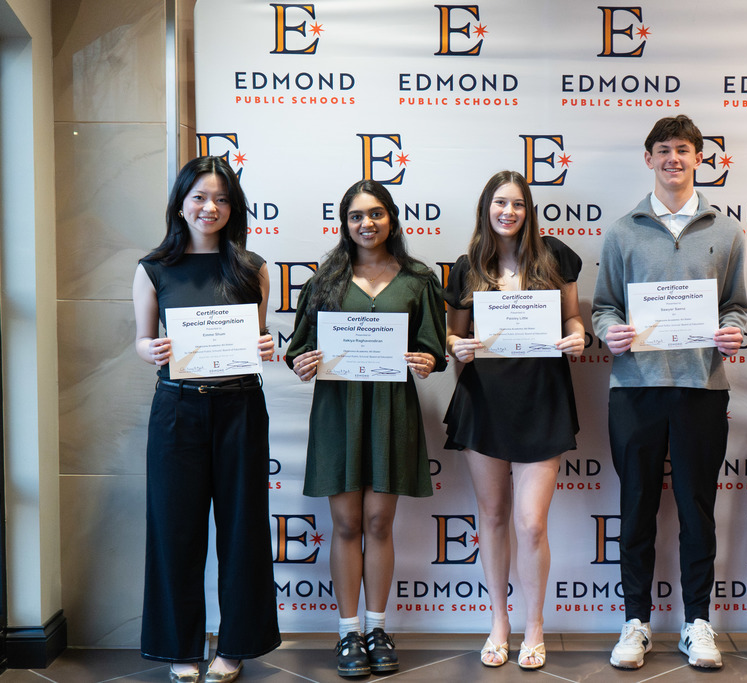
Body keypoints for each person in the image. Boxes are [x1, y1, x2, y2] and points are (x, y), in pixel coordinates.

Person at [591, 115, 747, 670]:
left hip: (701, 390)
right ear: (649, 158)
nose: (673, 159)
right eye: (663, 150)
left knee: (696, 509)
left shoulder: (726, 232)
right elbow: (603, 305)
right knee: (634, 507)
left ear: (698, 158)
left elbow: (736, 305)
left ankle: (696, 622)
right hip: (635, 390)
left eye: (683, 149)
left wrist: (733, 330)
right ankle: (634, 622)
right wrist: (608, 330)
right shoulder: (621, 230)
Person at [285, 179, 447, 678]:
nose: (367, 224)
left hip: (392, 411)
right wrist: (302, 362)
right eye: (357, 216)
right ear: (345, 223)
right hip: (338, 411)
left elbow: (434, 350)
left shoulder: (418, 279)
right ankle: (347, 632)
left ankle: (378, 628)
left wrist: (427, 359)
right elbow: (297, 348)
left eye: (376, 214)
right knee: (347, 524)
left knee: (379, 523)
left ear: (392, 219)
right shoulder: (326, 279)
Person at [132, 155, 280, 683]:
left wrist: (264, 346)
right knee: (175, 530)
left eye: (220, 199)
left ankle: (236, 645)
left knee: (242, 529)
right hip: (177, 408)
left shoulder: (252, 268)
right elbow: (142, 339)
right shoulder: (154, 268)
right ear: (180, 202)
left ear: (233, 207)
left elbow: (256, 339)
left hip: (240, 406)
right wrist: (150, 349)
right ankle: (180, 646)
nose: (209, 207)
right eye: (199, 197)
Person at [444, 170, 585, 671]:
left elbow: (572, 320)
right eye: (500, 203)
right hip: (484, 401)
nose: (508, 212)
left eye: (518, 204)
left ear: (529, 211)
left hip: (541, 398)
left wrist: (579, 337)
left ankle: (536, 625)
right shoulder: (466, 268)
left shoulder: (555, 258)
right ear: (486, 208)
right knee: (495, 516)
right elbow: (452, 339)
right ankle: (499, 623)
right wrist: (455, 346)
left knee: (530, 522)